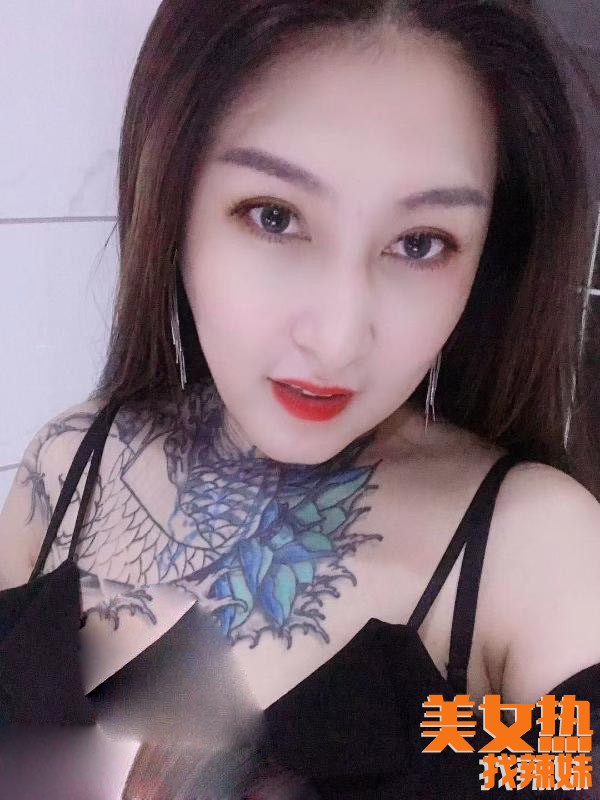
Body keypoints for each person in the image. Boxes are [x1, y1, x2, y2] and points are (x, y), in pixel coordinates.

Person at [1, 0, 600, 797]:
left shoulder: (538, 554)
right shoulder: (68, 465)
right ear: (174, 202)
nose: (337, 339)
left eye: (420, 243)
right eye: (275, 217)